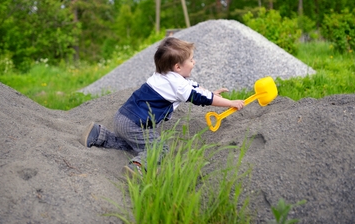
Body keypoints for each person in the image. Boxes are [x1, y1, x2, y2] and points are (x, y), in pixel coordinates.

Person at [79, 37, 245, 177]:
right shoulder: (178, 85)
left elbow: (195, 88)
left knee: (134, 145)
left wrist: (212, 94)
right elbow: (199, 97)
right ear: (178, 67)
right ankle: (137, 166)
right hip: (137, 124)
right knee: (160, 149)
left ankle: (99, 134)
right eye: (191, 60)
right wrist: (230, 103)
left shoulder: (163, 75)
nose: (194, 62)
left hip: (122, 117)